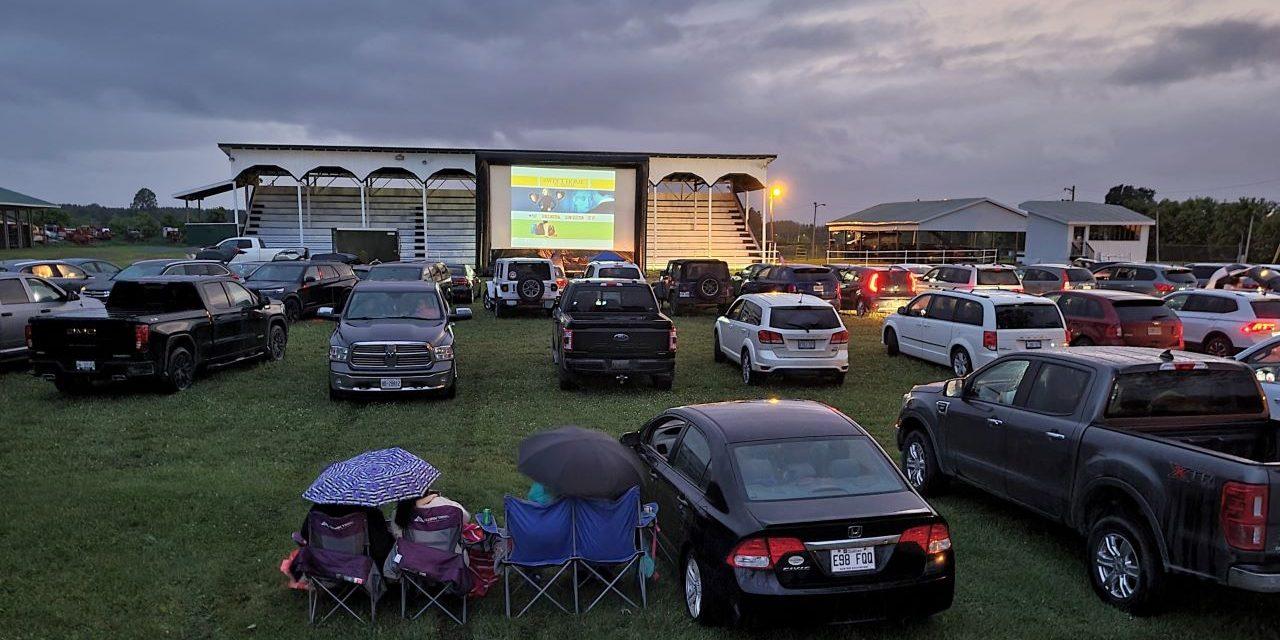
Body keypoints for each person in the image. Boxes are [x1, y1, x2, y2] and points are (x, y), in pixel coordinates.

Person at [296, 502, 395, 568]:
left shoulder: (317, 511)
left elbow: (305, 537)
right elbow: (380, 548)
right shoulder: (370, 512)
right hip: (359, 567)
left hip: (325, 564)